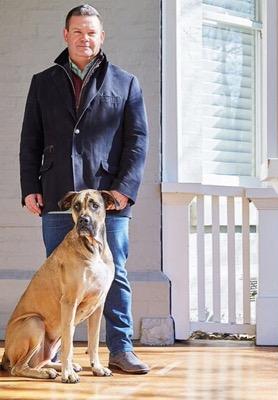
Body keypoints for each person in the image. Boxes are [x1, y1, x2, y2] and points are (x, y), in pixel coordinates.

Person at [19, 4, 149, 374]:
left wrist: (123, 189)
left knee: (115, 274)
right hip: (58, 194)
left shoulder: (125, 82)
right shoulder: (43, 82)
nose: (84, 38)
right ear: (66, 35)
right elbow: (30, 139)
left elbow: (137, 141)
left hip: (108, 199)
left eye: (91, 32)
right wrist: (30, 186)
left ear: (101, 37)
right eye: (77, 31)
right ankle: (58, 356)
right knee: (61, 283)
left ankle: (120, 349)